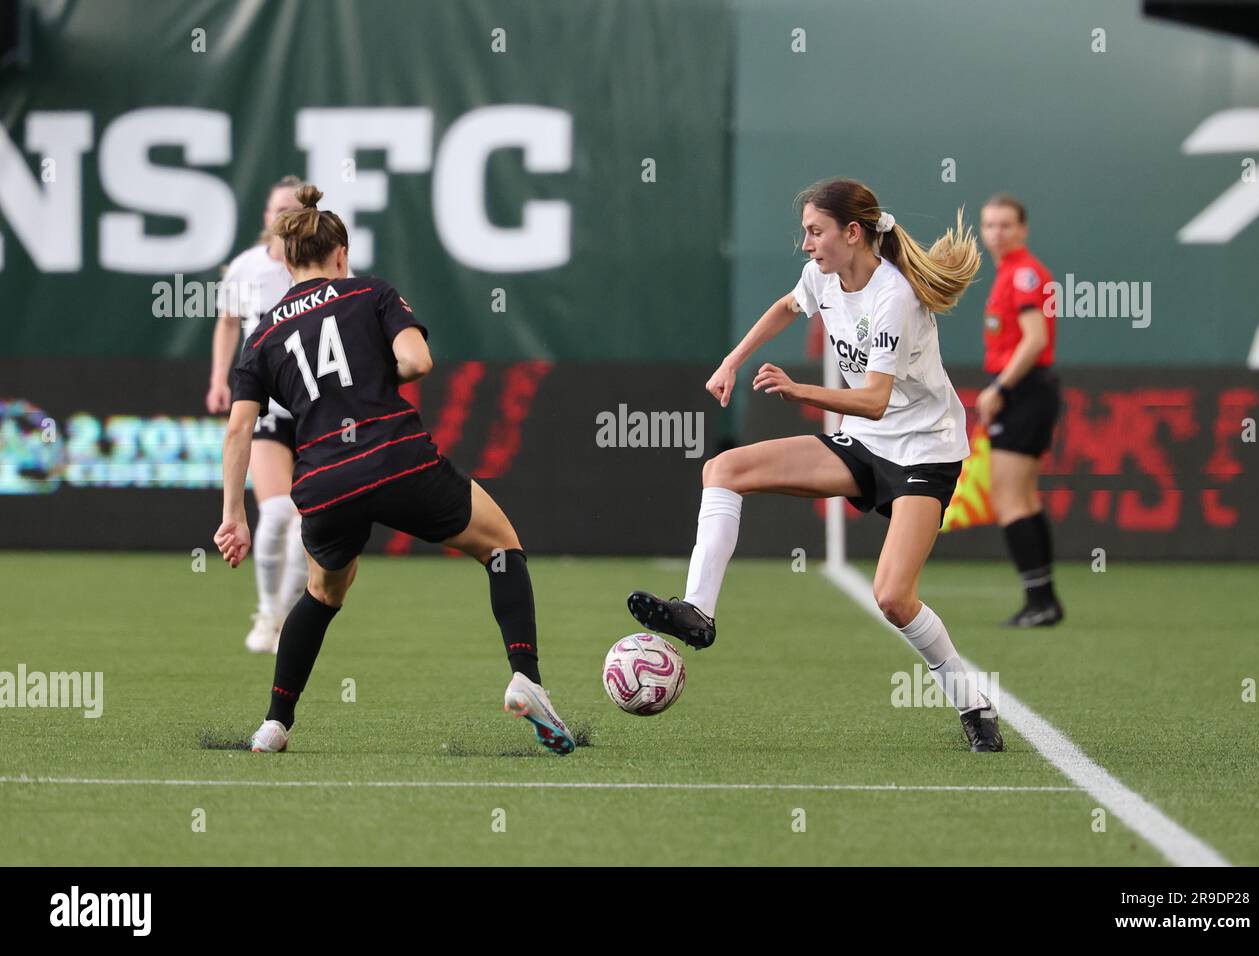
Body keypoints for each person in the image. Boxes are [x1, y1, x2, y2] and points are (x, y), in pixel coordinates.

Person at [628, 177, 1003, 751]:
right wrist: (732, 360)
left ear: (852, 234)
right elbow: (786, 306)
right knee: (724, 469)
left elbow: (876, 400)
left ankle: (972, 703)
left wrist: (799, 390)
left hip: (925, 453)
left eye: (815, 232)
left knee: (894, 598)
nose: (806, 245)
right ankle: (698, 612)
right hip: (865, 445)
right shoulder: (822, 278)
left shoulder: (892, 298)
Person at [213, 183, 574, 756]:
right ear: (340, 255)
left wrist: (235, 514)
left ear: (283, 261)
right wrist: (372, 379)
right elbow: (418, 361)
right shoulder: (371, 293)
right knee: (502, 546)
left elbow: (238, 430)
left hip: (324, 481)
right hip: (394, 460)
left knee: (323, 594)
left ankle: (274, 725)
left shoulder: (261, 338)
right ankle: (526, 679)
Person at [207, 175, 306, 653]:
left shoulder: (320, 268)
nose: (282, 218)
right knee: (278, 510)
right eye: (276, 209)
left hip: (313, 403)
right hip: (264, 399)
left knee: (311, 520)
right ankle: (267, 615)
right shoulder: (246, 268)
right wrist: (218, 380)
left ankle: (287, 617)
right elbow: (227, 323)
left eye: (293, 209)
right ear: (266, 218)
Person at [977, 194, 1064, 627]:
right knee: (1024, 497)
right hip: (1027, 390)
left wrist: (998, 389)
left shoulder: (1025, 274)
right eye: (990, 225)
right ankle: (1042, 599)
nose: (997, 233)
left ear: (1023, 229)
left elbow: (1034, 340)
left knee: (1009, 498)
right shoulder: (1008, 274)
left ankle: (1040, 600)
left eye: (1006, 225)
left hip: (1025, 391)